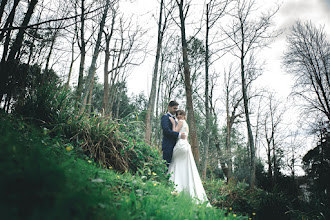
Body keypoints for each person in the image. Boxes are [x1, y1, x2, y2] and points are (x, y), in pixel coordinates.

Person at [167, 110, 211, 206]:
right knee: (186, 168)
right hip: (186, 146)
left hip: (180, 146)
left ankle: (175, 188)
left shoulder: (180, 122)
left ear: (183, 115)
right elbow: (186, 137)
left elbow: (174, 132)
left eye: (179, 114)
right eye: (177, 115)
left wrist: (173, 122)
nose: (178, 116)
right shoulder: (186, 124)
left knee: (176, 165)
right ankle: (184, 190)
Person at [161, 101, 186, 166]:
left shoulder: (176, 119)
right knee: (166, 165)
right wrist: (179, 135)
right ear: (169, 107)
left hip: (176, 145)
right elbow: (166, 131)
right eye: (174, 108)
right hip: (168, 145)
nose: (176, 110)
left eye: (176, 109)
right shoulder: (165, 117)